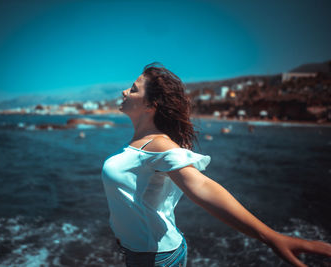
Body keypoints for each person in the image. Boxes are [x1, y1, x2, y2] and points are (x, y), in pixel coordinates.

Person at [101, 62, 331, 267]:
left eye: (133, 89)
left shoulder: (160, 144)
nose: (124, 91)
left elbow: (202, 188)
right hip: (142, 252)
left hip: (154, 258)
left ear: (151, 105)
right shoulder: (141, 142)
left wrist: (271, 236)